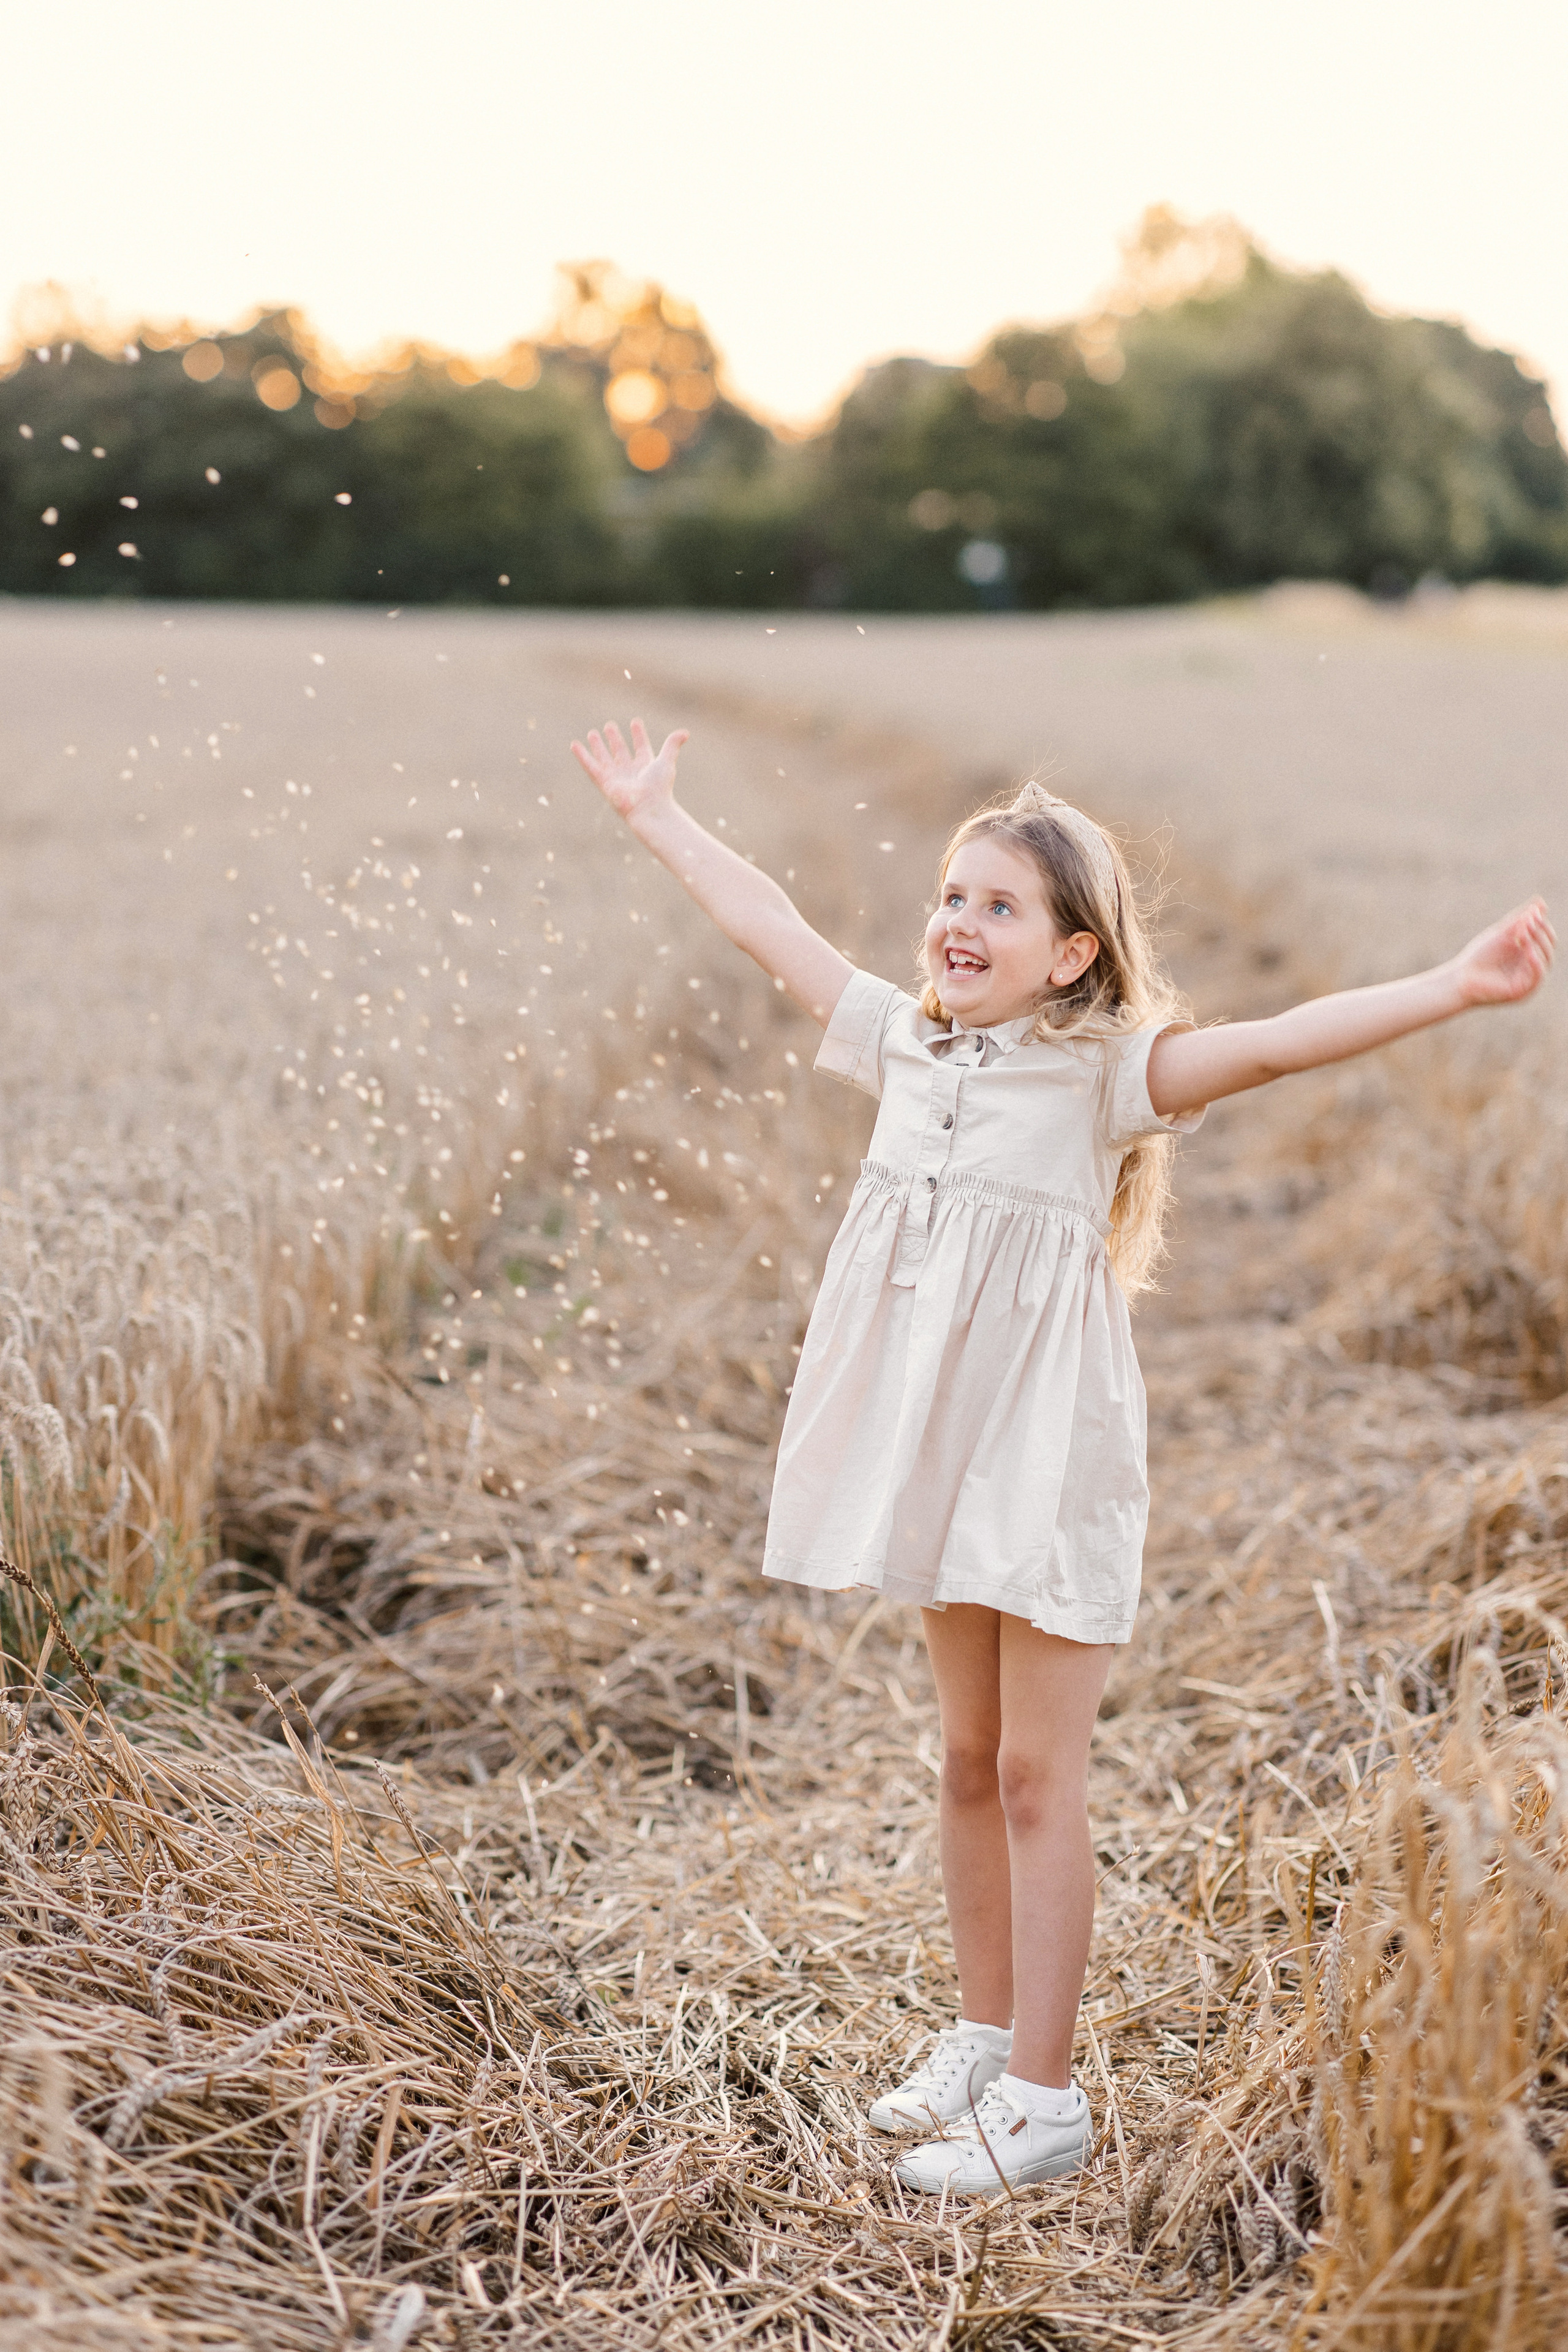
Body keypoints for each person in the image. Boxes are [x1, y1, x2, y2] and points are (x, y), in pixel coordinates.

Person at [570, 715, 1555, 2195]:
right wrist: (656, 816)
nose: (957, 924)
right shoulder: (904, 1043)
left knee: (1037, 1775)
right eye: (951, 898)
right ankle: (976, 2039)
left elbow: (1280, 1044)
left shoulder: (1102, 1078)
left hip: (1043, 1462)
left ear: (1072, 955)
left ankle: (1040, 2099)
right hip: (937, 1446)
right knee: (963, 1761)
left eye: (998, 907)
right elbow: (768, 922)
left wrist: (1452, 987)